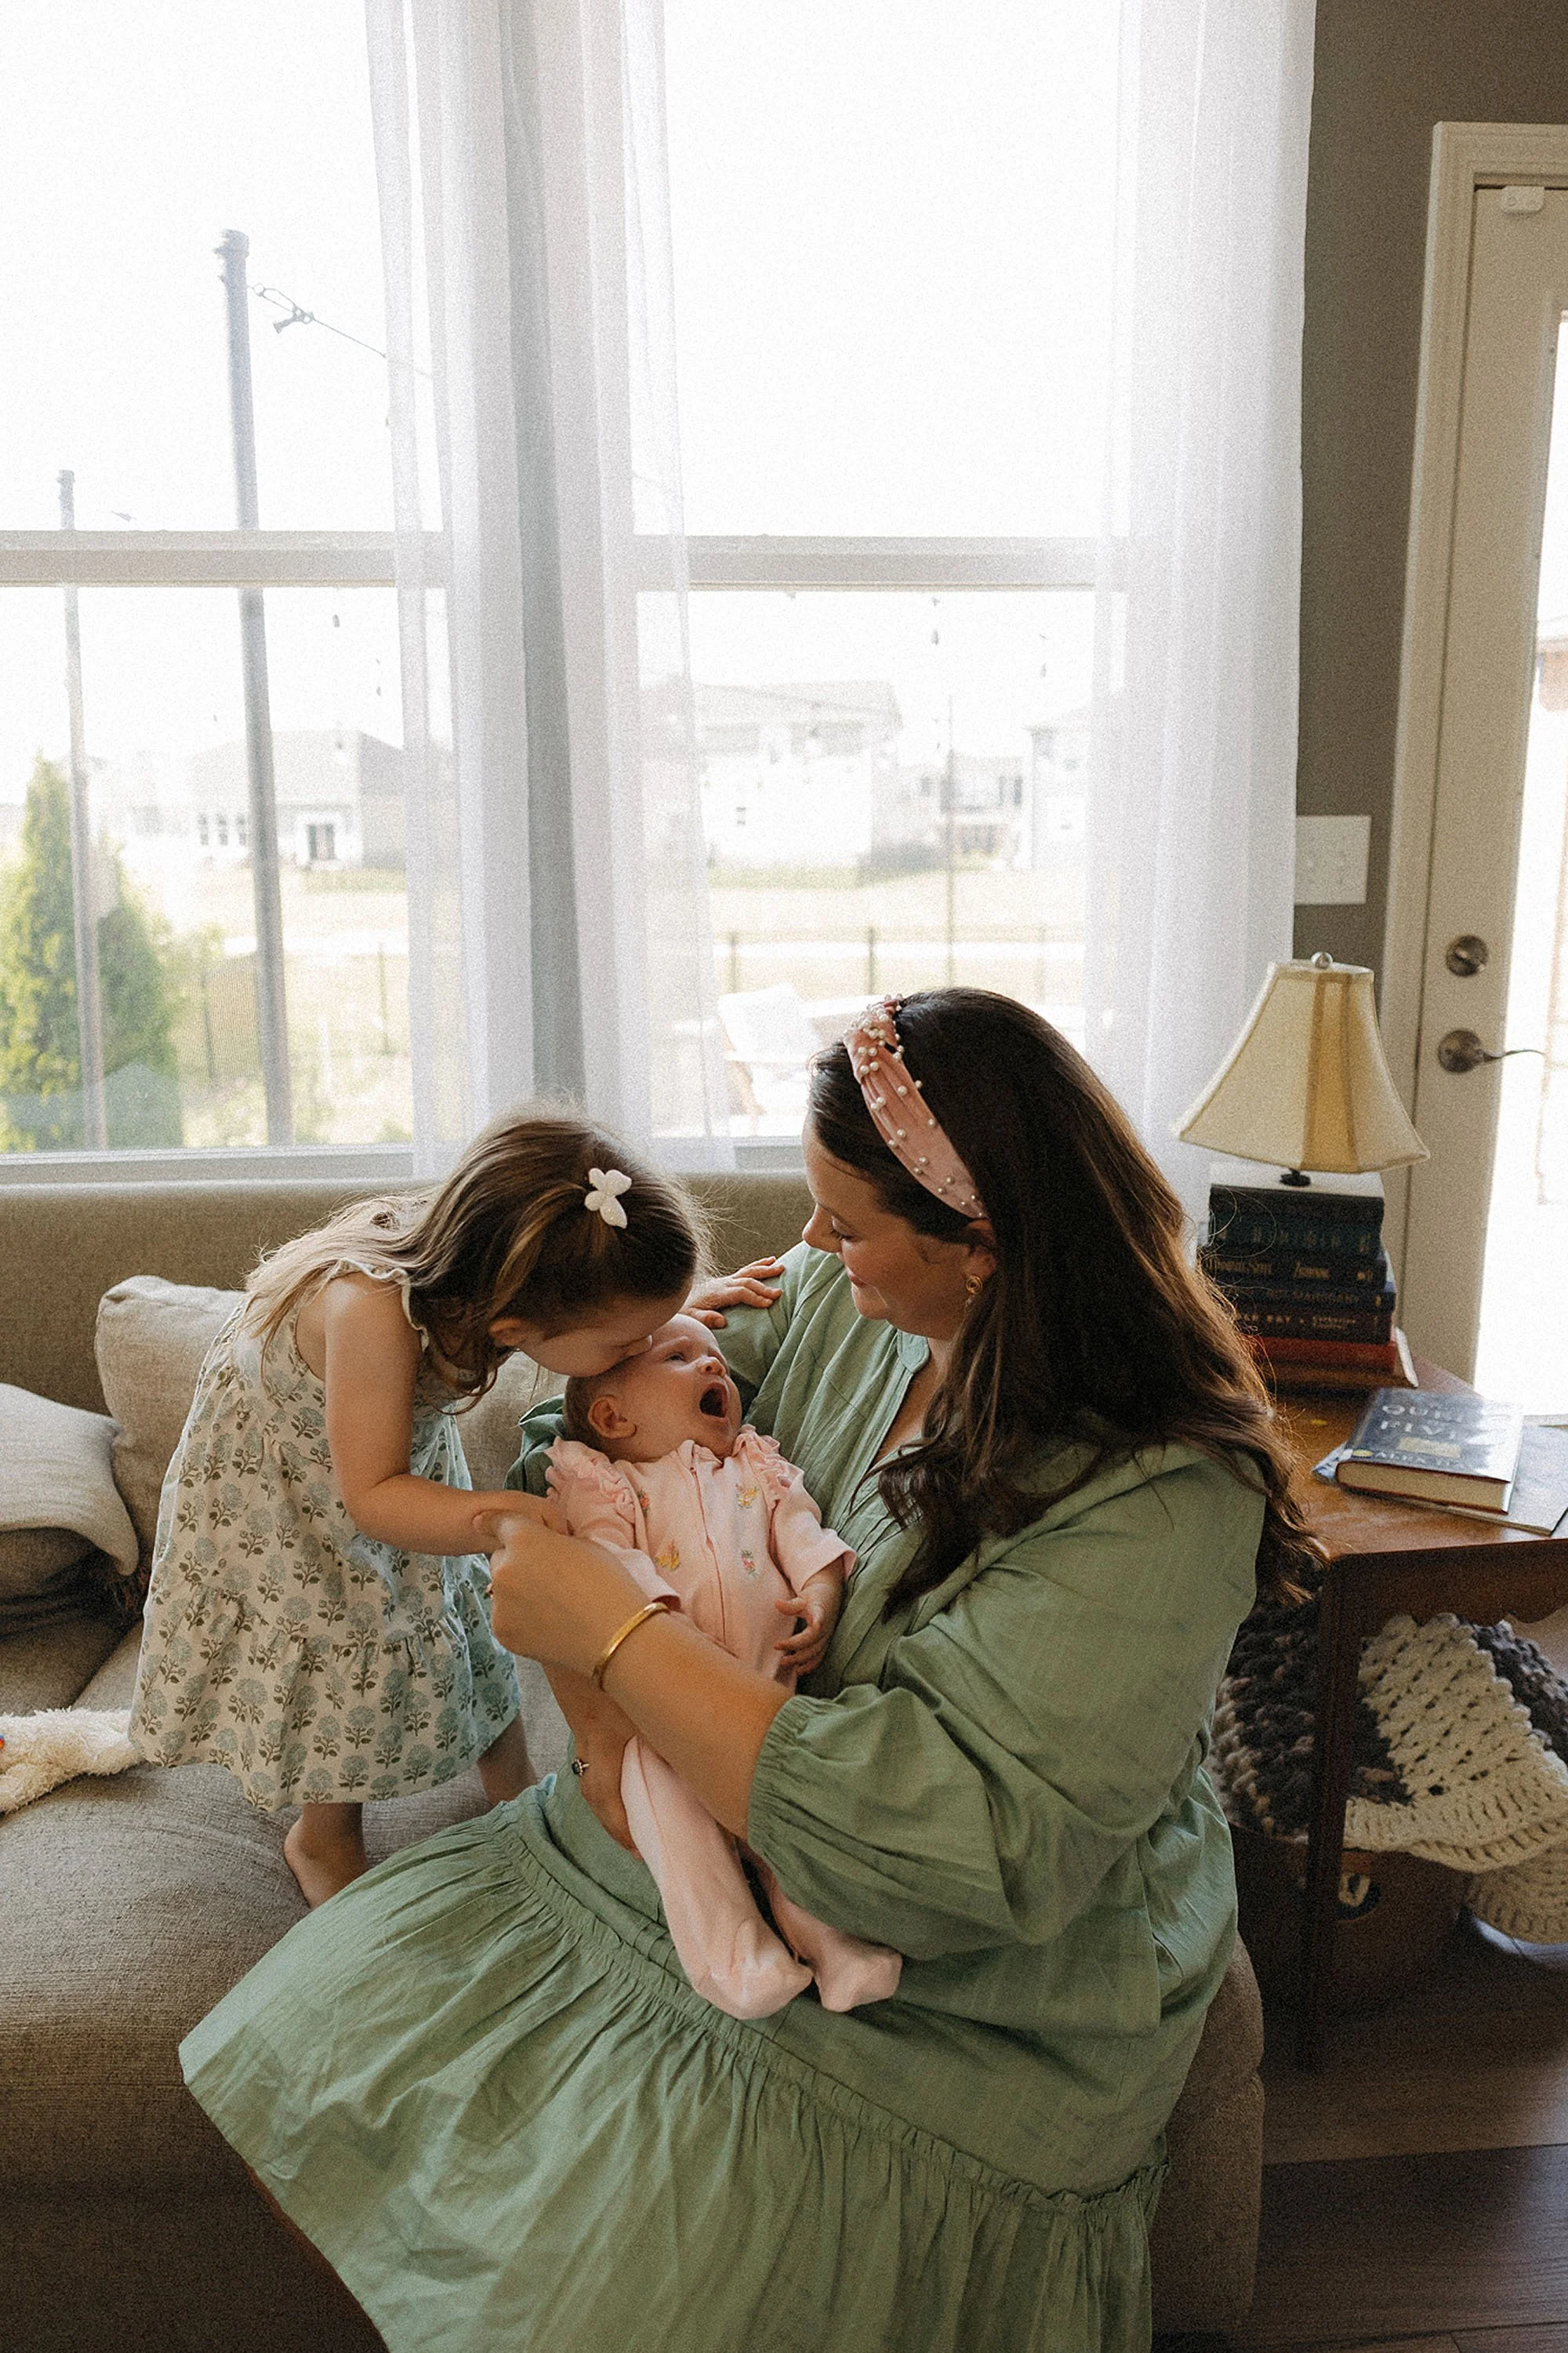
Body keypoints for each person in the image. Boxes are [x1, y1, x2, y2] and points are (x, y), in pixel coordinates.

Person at [178, 989, 1315, 2353]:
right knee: (294, 2061)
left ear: (987, 1242)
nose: (816, 1248)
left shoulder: (1158, 1493)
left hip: (958, 1963)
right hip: (683, 1816)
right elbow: (580, 1416)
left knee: (613, 2283)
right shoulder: (856, 1302)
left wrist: (615, 1645)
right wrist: (607, 1716)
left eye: (849, 1221)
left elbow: (964, 1848)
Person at [129, 1111, 701, 1905]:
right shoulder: (372, 1310)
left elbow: (598, 1316)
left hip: (387, 1443)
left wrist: (681, 1319)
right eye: (625, 1346)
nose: (637, 1356)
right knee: (350, 1625)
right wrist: (499, 1513)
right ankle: (323, 1836)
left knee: (459, 1595)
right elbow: (372, 1498)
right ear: (513, 1328)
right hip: (294, 1485)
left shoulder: (500, 1267)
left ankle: (512, 1786)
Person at [546, 1312, 902, 2017]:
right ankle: (735, 1958)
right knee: (687, 1847)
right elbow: (606, 1565)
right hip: (654, 1718)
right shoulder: (608, 1485)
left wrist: (821, 1593)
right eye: (681, 1357)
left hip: (766, 1701)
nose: (715, 1368)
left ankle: (836, 1946)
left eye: (716, 1359)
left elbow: (802, 1530)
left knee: (785, 1827)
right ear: (612, 1416)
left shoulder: (754, 1465)